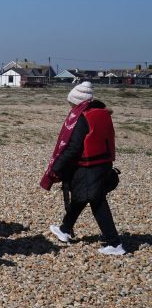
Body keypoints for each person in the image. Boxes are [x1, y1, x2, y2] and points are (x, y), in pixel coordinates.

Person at [43, 82, 125, 255]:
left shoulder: (83, 117)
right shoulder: (102, 113)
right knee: (82, 196)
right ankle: (65, 229)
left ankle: (115, 243)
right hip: (104, 163)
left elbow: (73, 147)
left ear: (78, 102)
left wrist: (55, 168)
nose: (70, 106)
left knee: (97, 201)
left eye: (71, 103)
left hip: (89, 166)